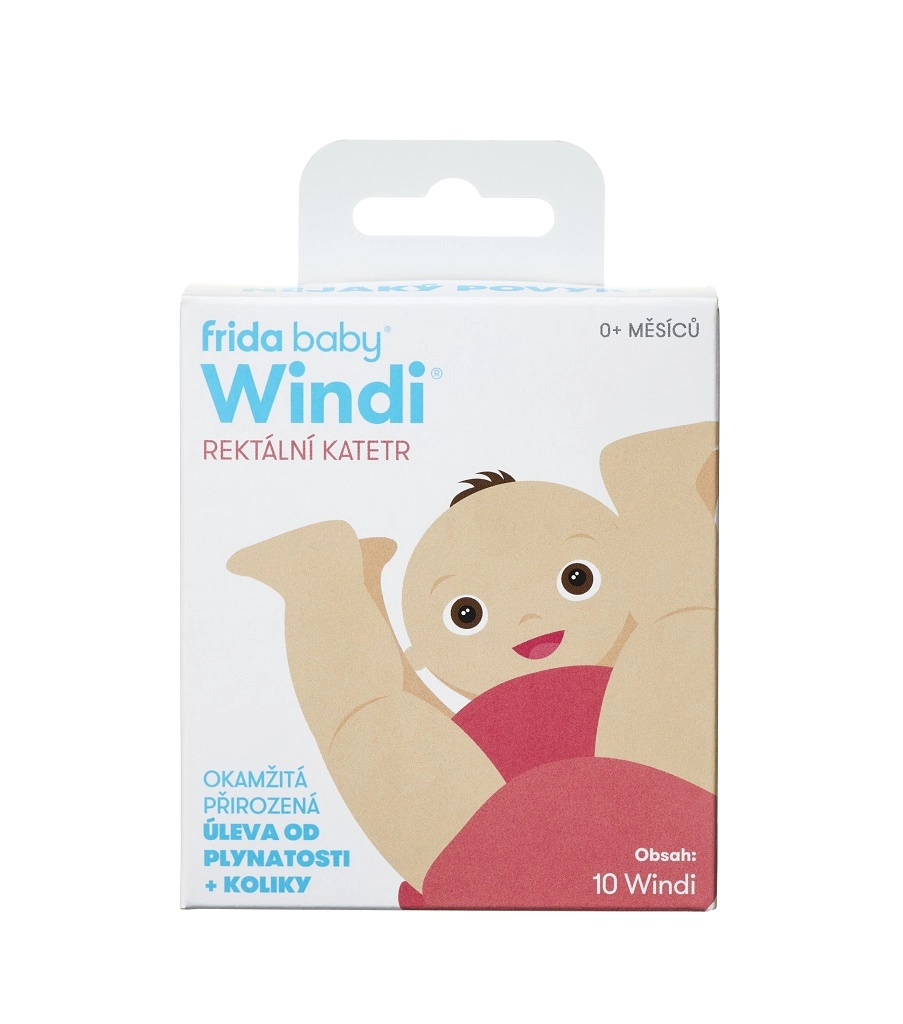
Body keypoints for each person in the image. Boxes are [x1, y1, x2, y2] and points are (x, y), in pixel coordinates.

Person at [228, 422, 718, 908]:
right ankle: (324, 585)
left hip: (610, 823)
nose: (528, 618)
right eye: (467, 614)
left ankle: (322, 585)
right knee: (378, 726)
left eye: (576, 578)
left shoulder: (638, 676)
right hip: (500, 843)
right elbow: (410, 730)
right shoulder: (456, 749)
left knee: (674, 645)